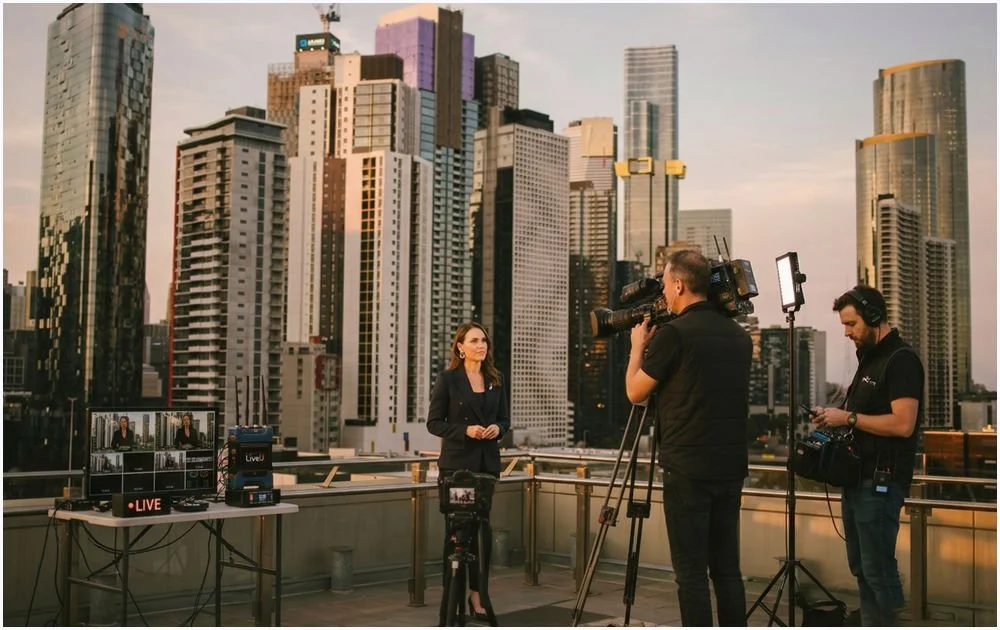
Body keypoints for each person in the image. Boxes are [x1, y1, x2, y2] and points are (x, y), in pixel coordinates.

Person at [625, 249, 752, 627]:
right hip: (730, 468)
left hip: (687, 470)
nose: (663, 292)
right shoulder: (739, 336)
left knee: (692, 574)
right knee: (727, 570)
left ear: (679, 284)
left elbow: (635, 392)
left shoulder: (673, 335)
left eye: (665, 284)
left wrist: (637, 349)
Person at [811, 285, 923, 627]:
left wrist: (848, 418)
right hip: (858, 480)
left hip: (881, 482)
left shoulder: (900, 360)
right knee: (862, 566)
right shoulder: (870, 360)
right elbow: (859, 418)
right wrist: (833, 416)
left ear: (874, 318)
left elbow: (903, 425)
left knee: (878, 569)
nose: (847, 333)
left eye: (851, 324)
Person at [427, 322, 510, 621]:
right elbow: (434, 423)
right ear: (460, 347)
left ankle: (479, 595)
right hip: (456, 468)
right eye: (474, 340)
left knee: (482, 533)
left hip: (486, 468)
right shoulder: (448, 379)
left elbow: (504, 420)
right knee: (457, 534)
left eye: (484, 340)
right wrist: (467, 431)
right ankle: (450, 602)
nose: (481, 345)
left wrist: (496, 429)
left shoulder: (496, 379)